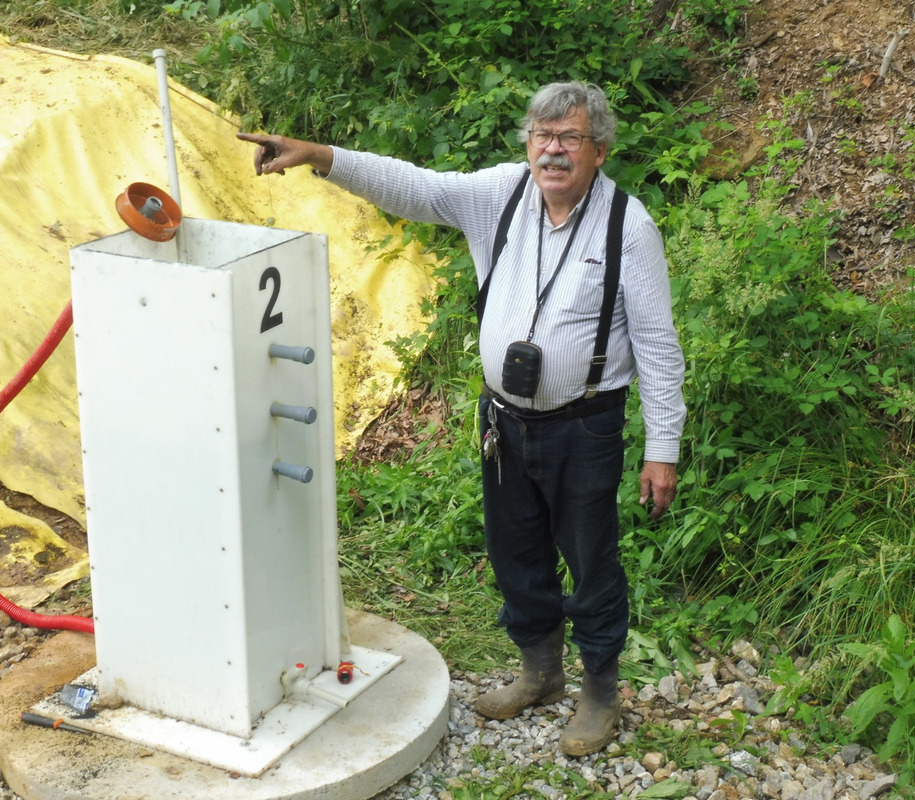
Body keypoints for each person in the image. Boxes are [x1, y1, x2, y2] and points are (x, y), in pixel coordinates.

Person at [238, 81, 686, 756]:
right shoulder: (501, 194)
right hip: (503, 421)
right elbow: (414, 187)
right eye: (541, 135)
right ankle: (540, 672)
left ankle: (599, 689)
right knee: (515, 552)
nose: (553, 150)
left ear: (600, 150)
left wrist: (663, 449)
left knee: (592, 561)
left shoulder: (630, 227)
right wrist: (321, 155)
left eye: (569, 138)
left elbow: (656, 346)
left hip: (585, 427)